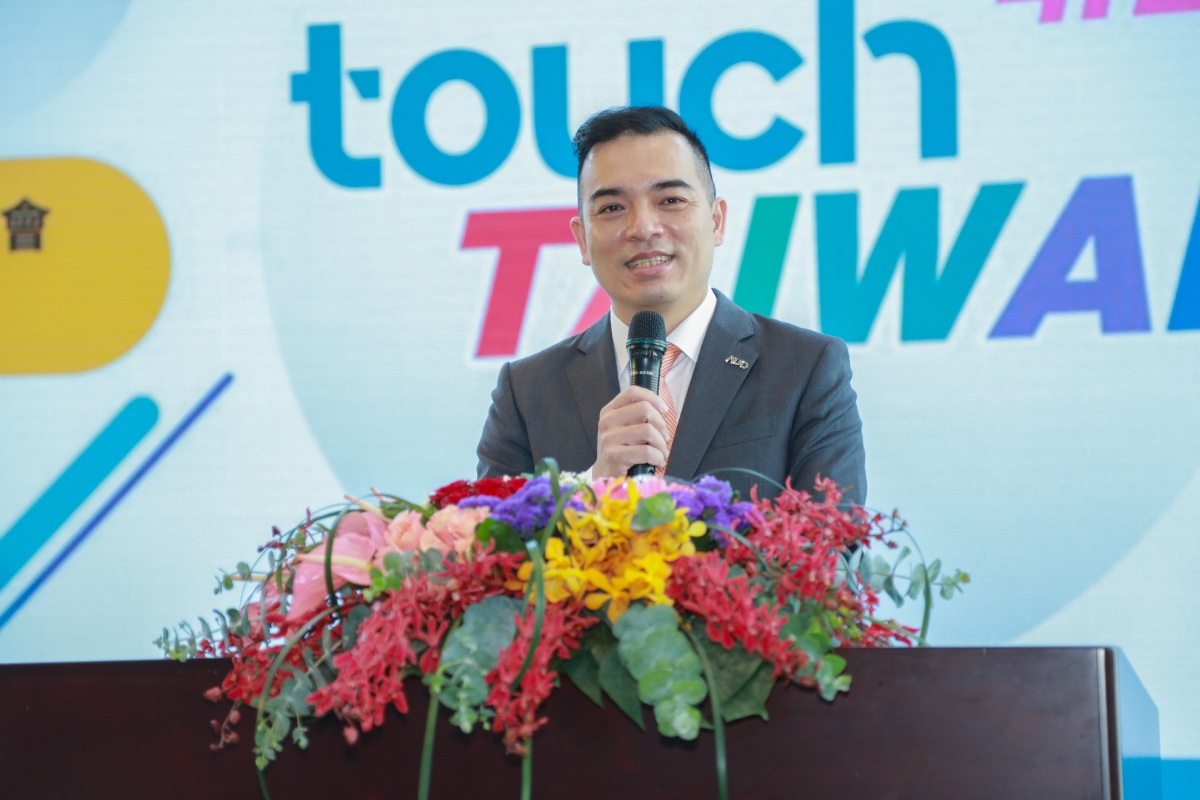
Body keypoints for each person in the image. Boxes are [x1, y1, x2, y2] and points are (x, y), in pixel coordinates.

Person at [475, 106, 866, 504]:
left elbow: (835, 537)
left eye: (670, 199)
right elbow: (489, 540)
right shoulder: (526, 392)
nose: (643, 228)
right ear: (582, 240)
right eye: (612, 208)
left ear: (716, 221)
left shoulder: (805, 368)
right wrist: (591, 486)